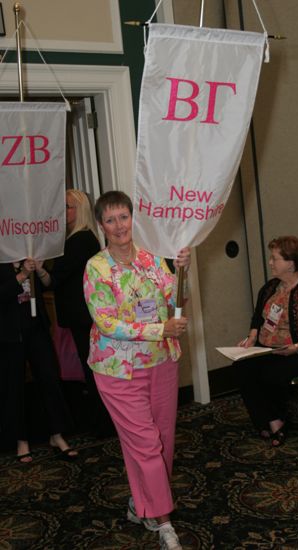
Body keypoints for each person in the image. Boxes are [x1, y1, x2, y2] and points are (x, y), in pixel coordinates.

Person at [83, 190, 190, 550]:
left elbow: (175, 301)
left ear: (133, 218)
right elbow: (107, 322)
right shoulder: (96, 268)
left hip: (160, 363)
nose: (119, 225)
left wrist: (183, 269)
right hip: (117, 369)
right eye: (110, 219)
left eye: (123, 217)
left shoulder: (151, 259)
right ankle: (164, 523)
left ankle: (141, 504)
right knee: (146, 444)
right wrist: (160, 329)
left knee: (160, 442)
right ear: (101, 225)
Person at [237, 236, 298, 447]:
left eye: (275, 258)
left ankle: (275, 420)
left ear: (291, 263)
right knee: (241, 367)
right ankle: (270, 420)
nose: (270, 262)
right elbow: (257, 317)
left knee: (271, 371)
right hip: (267, 347)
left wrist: (297, 347)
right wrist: (252, 337)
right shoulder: (270, 287)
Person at [38, 189, 114, 437]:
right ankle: (101, 421)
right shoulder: (78, 238)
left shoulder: (79, 241)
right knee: (90, 366)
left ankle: (103, 424)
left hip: (84, 316)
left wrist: (39, 270)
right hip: (83, 315)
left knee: (92, 368)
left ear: (79, 210)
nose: (63, 212)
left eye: (68, 207)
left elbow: (54, 280)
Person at [0, 259, 78, 462]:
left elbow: (49, 284)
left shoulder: (30, 253)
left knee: (49, 378)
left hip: (37, 327)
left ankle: (57, 434)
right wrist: (21, 275)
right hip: (9, 332)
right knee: (14, 384)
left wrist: (40, 270)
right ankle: (20, 440)